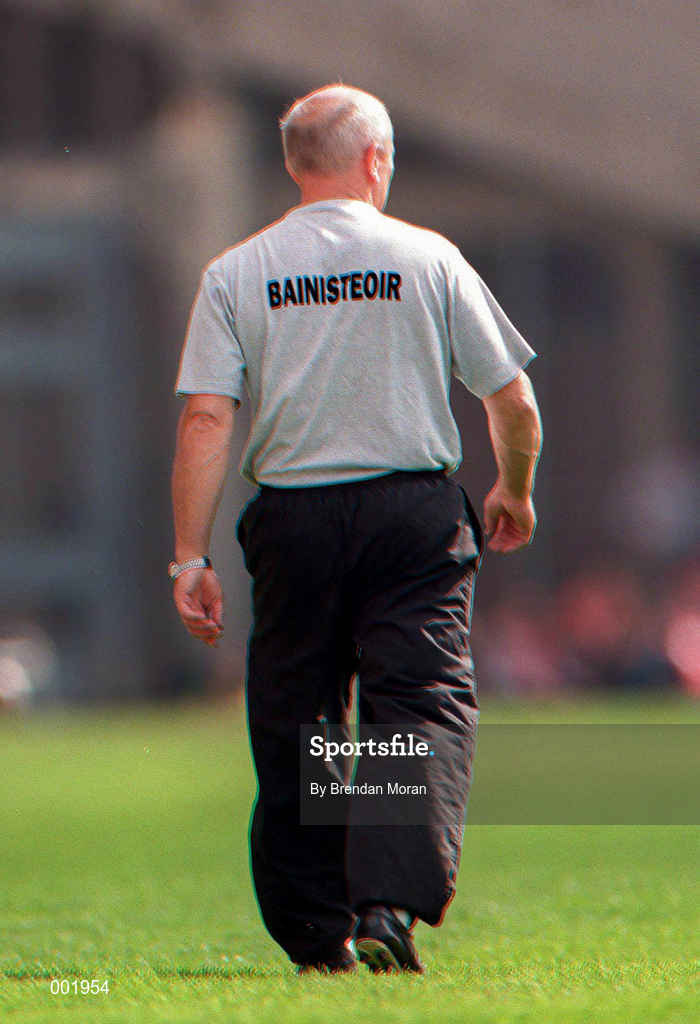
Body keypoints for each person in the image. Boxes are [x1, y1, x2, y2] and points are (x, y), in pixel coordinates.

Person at [169, 84, 542, 975]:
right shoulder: (429, 257)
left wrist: (191, 556)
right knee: (411, 703)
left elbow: (205, 422)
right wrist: (515, 491)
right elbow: (512, 398)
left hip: (292, 519)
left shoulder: (236, 272)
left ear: (297, 165)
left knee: (301, 718)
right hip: (412, 516)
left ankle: (314, 932)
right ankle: (386, 903)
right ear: (376, 160)